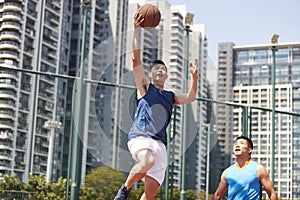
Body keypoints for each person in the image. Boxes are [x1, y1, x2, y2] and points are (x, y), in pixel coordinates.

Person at [114, 12, 198, 200]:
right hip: (141, 137)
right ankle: (123, 191)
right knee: (147, 161)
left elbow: (191, 97)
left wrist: (195, 79)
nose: (160, 70)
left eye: (163, 69)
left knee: (150, 193)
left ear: (167, 76)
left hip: (160, 143)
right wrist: (136, 31)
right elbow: (136, 60)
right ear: (151, 75)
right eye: (156, 69)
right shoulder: (144, 88)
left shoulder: (170, 96)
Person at [211, 136, 278, 200]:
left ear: (249, 150)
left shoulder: (258, 169)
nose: (237, 145)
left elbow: (271, 193)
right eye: (235, 144)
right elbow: (217, 195)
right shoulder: (227, 172)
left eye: (241, 143)